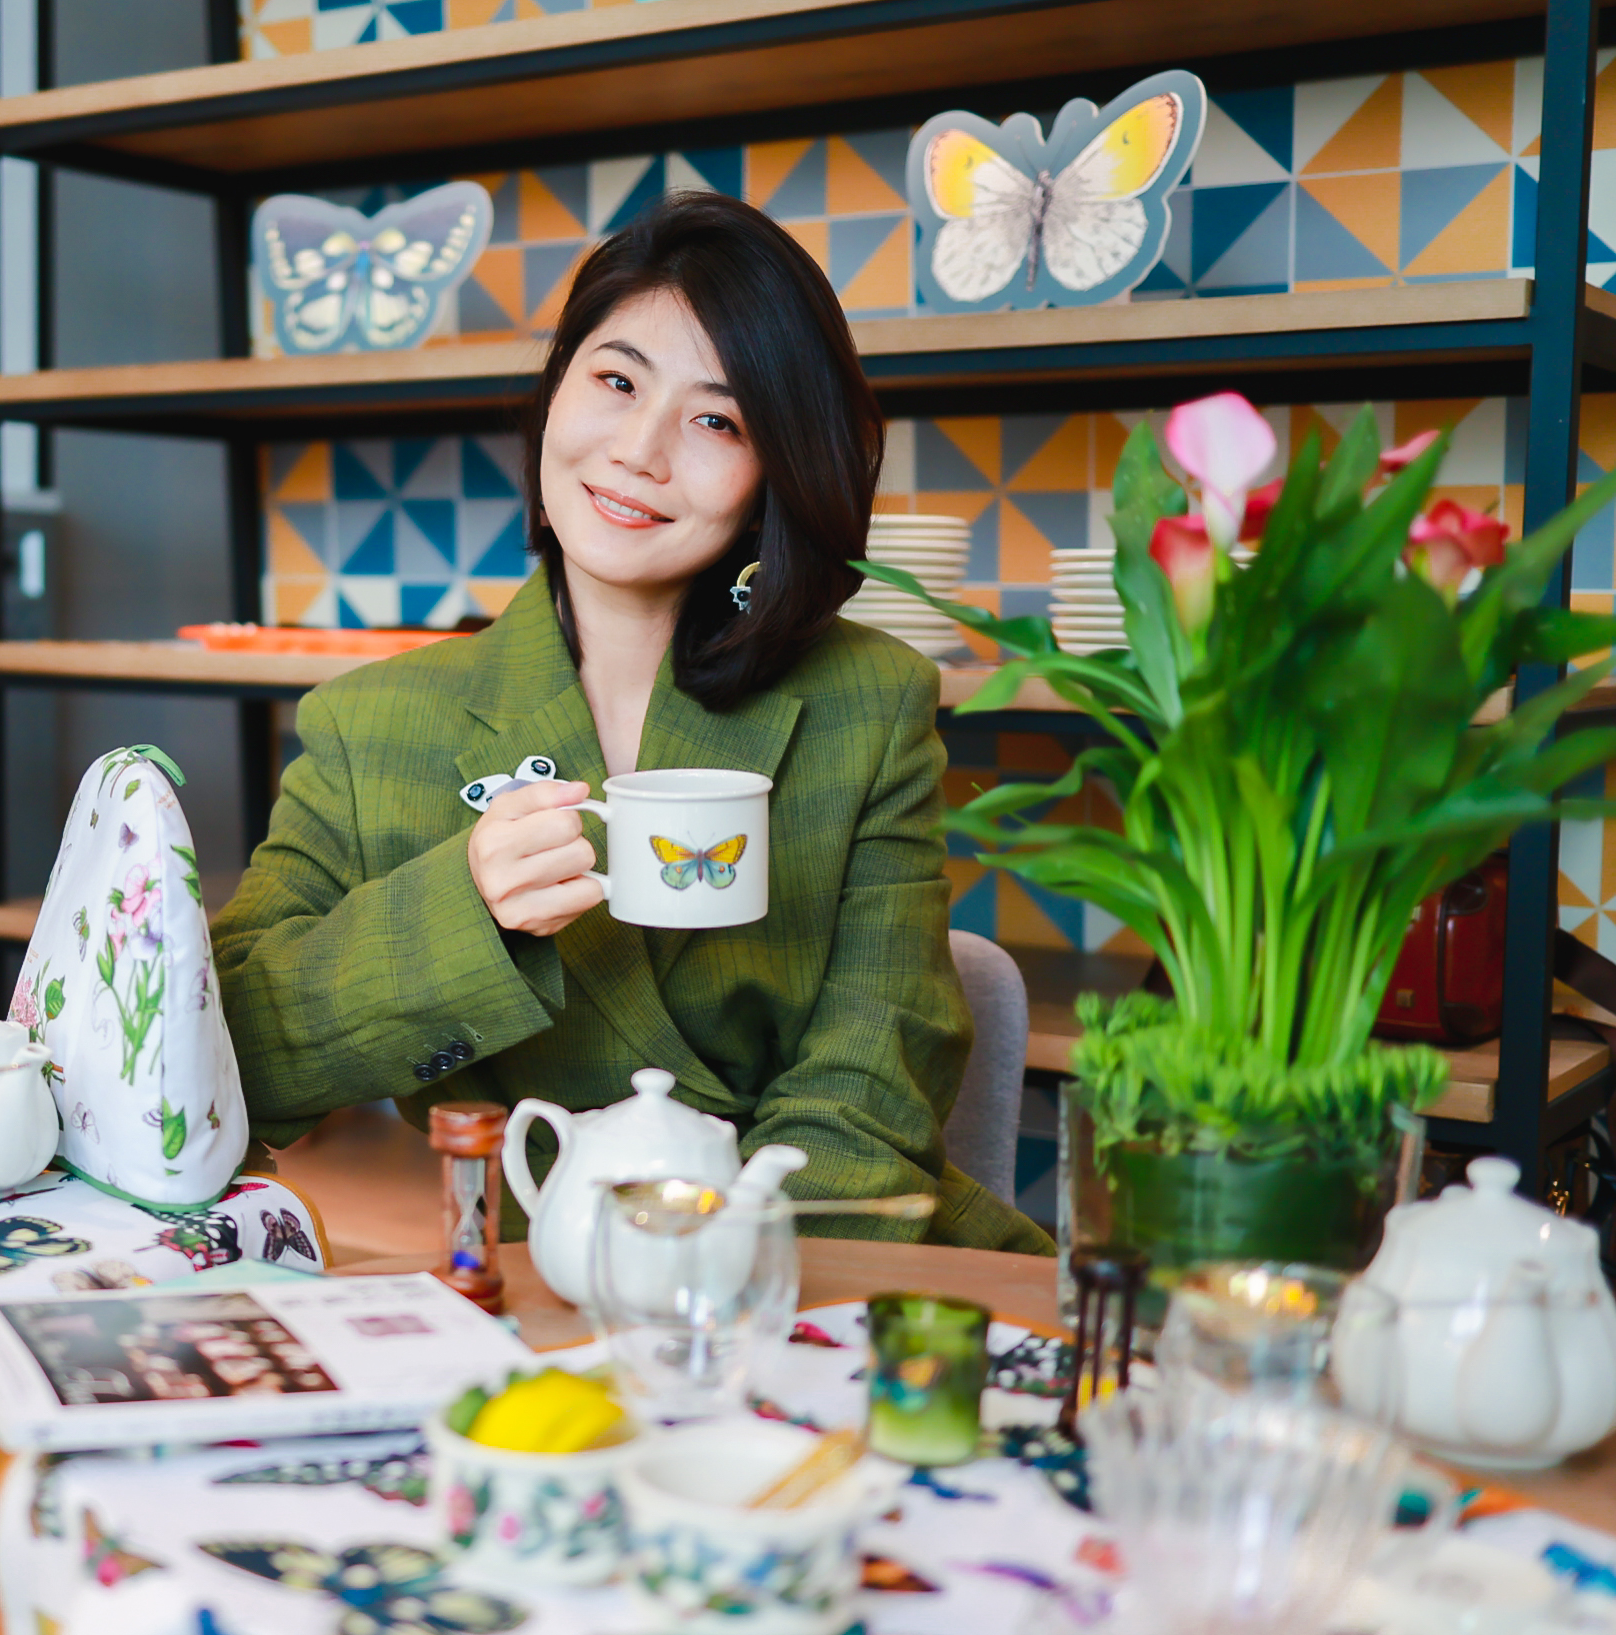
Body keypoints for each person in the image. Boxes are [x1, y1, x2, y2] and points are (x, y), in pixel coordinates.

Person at [211, 192, 1048, 1252]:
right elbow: (226, 1061)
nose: (641, 451)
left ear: (771, 475)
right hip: (543, 1276)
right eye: (616, 381)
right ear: (556, 390)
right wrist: (466, 910)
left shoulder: (869, 702)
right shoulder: (372, 724)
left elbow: (869, 1094)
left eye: (716, 420)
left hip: (810, 1259)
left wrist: (700, 1274)